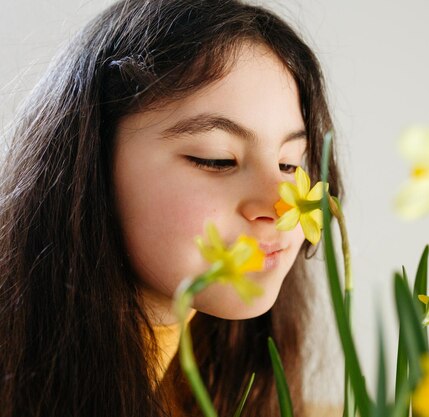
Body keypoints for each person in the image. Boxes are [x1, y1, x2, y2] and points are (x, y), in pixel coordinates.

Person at [0, 1, 342, 416]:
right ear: (90, 161)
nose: (280, 204)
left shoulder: (220, 381)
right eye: (216, 159)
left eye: (290, 164)